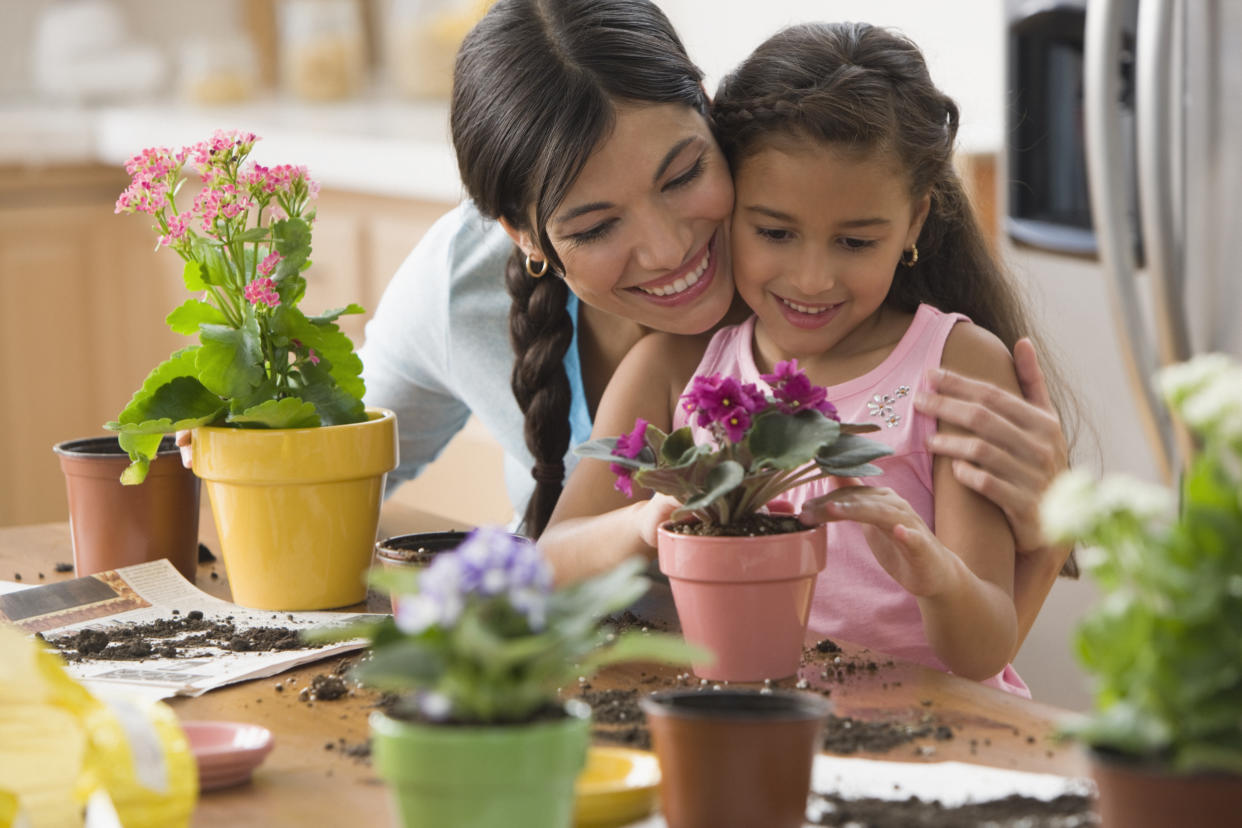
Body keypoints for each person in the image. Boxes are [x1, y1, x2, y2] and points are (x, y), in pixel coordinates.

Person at [180, 1, 1072, 643]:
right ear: (525, 237)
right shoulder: (475, 298)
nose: (665, 251)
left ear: (717, 122)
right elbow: (300, 505)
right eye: (596, 226)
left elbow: (975, 643)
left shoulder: (872, 293)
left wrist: (1052, 527)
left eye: (684, 175)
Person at [540, 21, 1080, 694]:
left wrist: (936, 574)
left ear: (913, 222)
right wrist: (648, 518)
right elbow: (548, 565)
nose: (812, 278)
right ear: (730, 202)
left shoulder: (954, 367)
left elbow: (982, 650)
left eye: (854, 242)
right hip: (747, 723)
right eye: (775, 232)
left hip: (927, 745)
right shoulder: (675, 367)